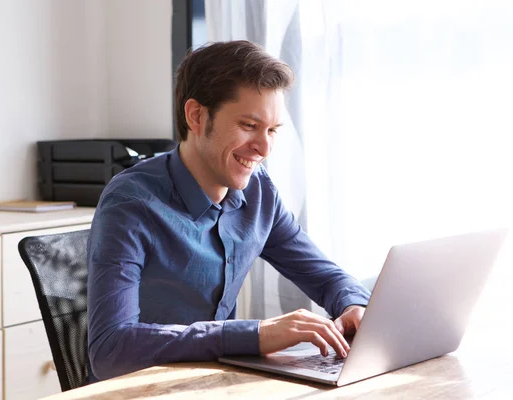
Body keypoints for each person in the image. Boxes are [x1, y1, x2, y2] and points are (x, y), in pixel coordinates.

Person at [87, 40, 371, 382]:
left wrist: (355, 306)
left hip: (218, 384)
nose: (264, 148)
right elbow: (109, 350)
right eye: (249, 126)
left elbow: (325, 276)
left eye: (272, 131)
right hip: (140, 390)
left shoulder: (259, 191)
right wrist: (254, 335)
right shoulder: (130, 202)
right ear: (196, 116)